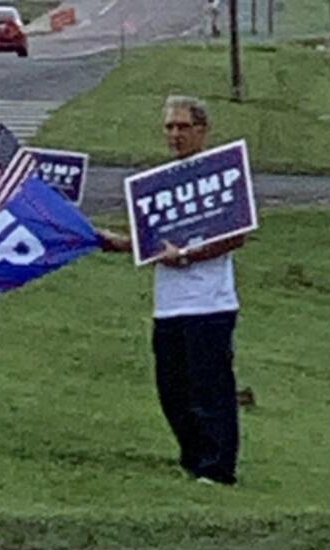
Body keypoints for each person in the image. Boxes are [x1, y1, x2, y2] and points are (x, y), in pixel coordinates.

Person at [98, 95, 247, 485]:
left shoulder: (219, 174)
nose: (175, 134)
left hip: (210, 304)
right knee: (172, 390)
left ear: (202, 130)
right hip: (169, 306)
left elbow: (236, 236)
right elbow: (153, 244)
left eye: (183, 126)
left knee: (209, 390)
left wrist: (186, 256)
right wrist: (120, 242)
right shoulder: (158, 183)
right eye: (170, 127)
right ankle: (193, 458)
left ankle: (218, 468)